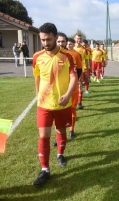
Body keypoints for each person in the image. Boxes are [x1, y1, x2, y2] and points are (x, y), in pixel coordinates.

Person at [32, 23, 77, 185]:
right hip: (44, 105)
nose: (45, 43)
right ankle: (45, 169)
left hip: (62, 104)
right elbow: (37, 76)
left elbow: (74, 77)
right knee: (43, 136)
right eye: (42, 40)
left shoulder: (68, 56)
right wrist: (38, 94)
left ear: (56, 37)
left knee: (60, 131)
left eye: (48, 39)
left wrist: (68, 93)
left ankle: (60, 154)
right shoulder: (37, 57)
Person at [74, 34, 89, 109]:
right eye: (77, 38)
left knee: (80, 86)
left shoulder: (84, 49)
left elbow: (86, 60)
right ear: (75, 38)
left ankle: (79, 102)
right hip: (71, 70)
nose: (79, 40)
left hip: (81, 70)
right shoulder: (71, 47)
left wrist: (88, 70)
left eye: (80, 39)